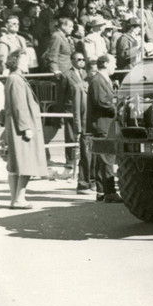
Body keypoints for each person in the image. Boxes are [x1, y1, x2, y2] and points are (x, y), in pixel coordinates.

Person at [2, 48, 49, 209]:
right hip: (22, 128)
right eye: (24, 59)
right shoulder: (16, 79)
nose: (27, 62)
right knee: (26, 163)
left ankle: (16, 199)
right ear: (16, 61)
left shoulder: (15, 78)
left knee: (17, 165)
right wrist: (26, 127)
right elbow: (19, 106)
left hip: (18, 127)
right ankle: (19, 198)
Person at [87, 53, 123, 203]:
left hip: (105, 124)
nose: (116, 66)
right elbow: (101, 102)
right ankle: (109, 192)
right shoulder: (97, 80)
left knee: (104, 159)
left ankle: (102, 191)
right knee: (107, 159)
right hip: (103, 125)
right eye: (113, 62)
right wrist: (118, 109)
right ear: (106, 63)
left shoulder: (102, 79)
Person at [59, 52, 92, 193]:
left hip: (84, 112)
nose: (81, 62)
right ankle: (69, 164)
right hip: (70, 110)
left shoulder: (87, 74)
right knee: (71, 138)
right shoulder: (66, 75)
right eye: (79, 60)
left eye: (83, 59)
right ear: (72, 60)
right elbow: (61, 95)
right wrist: (60, 114)